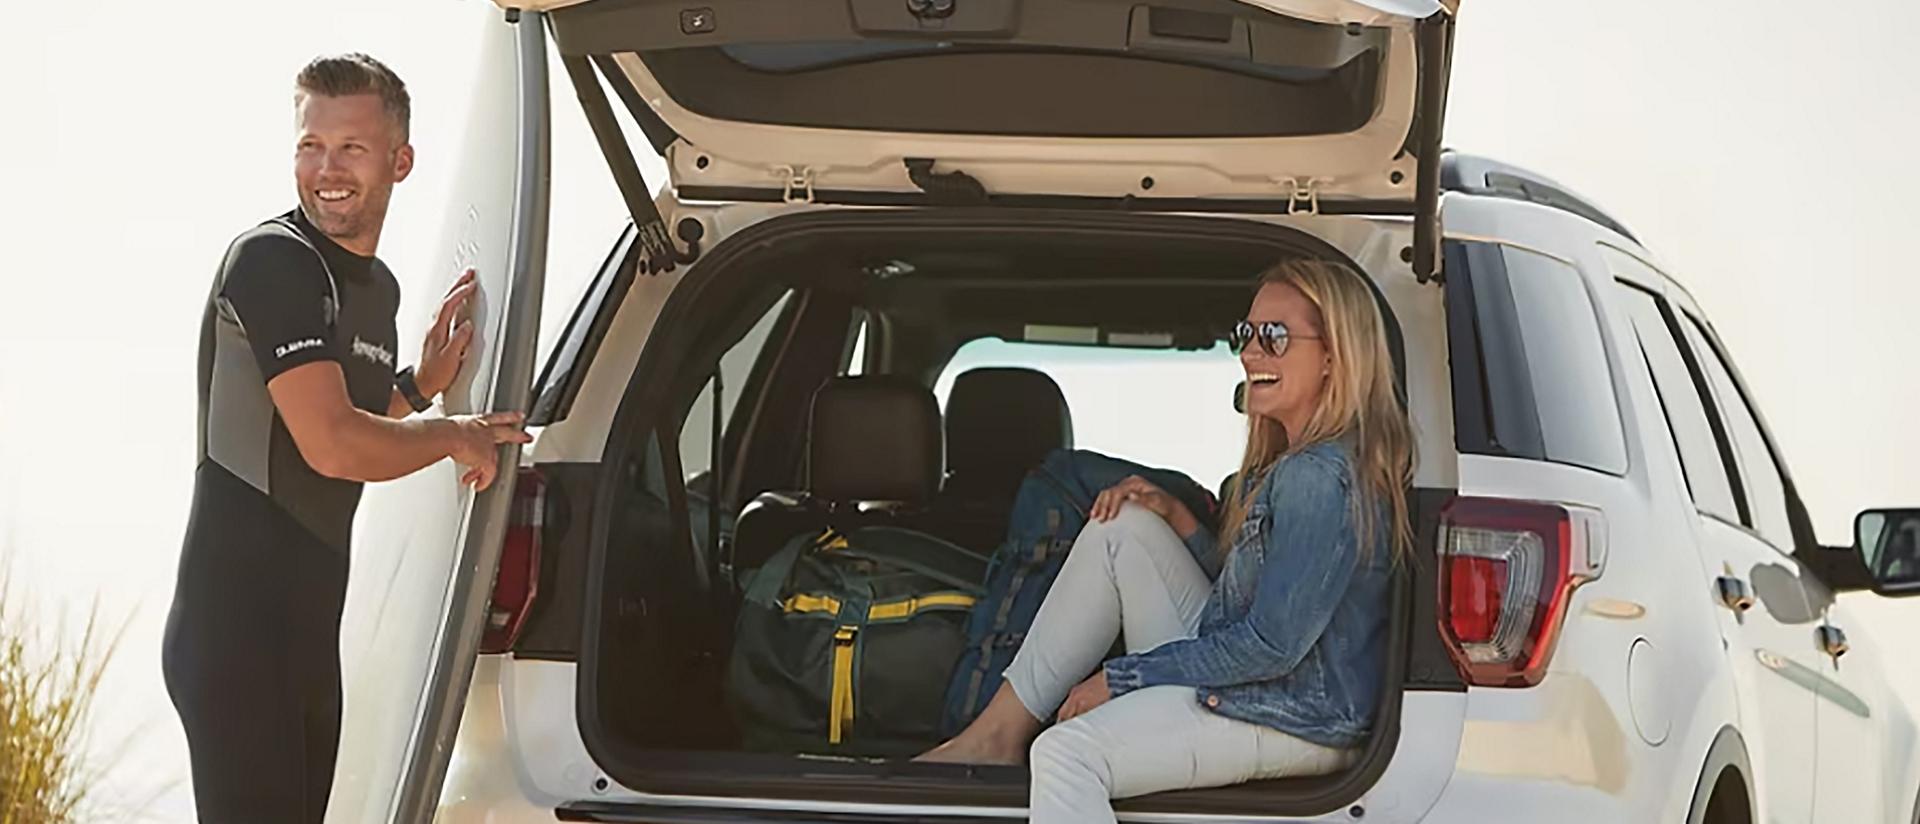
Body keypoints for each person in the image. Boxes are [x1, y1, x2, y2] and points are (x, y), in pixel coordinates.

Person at [162, 53, 531, 823]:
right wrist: (452, 433)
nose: (326, 170)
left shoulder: (376, 287)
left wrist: (418, 387)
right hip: (236, 633)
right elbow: (329, 445)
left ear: (400, 161)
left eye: (351, 149)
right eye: (310, 145)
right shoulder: (272, 263)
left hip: (305, 633)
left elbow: (357, 416)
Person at [919, 260, 1415, 823]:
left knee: (1066, 753)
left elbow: (1272, 646)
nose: (1252, 353)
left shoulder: (1317, 475)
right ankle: (996, 733)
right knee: (1122, 529)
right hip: (1277, 688)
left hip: (1298, 713)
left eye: (1275, 337)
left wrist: (1121, 677)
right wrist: (1178, 517)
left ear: (1334, 357)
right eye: (1246, 335)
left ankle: (1006, 738)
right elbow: (1246, 598)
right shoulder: (1290, 464)